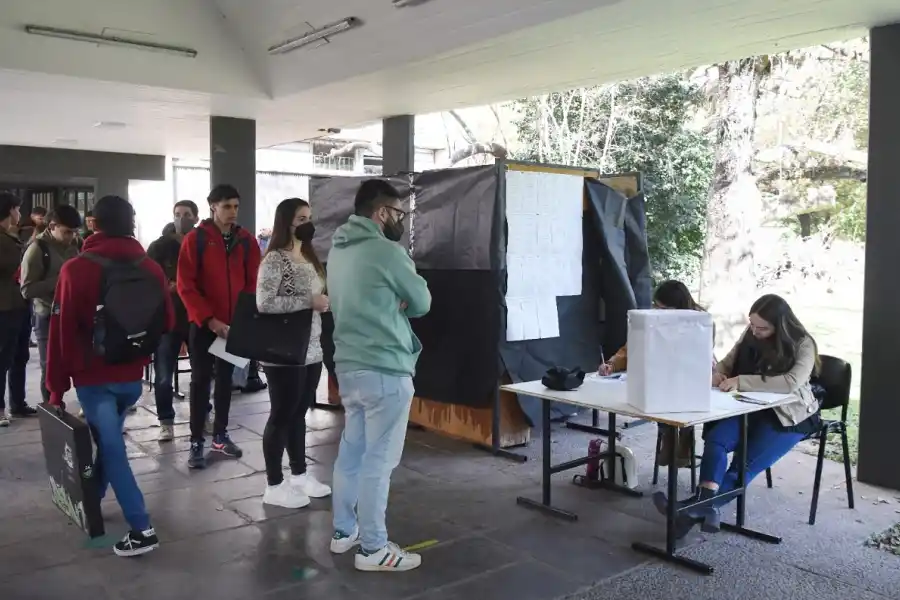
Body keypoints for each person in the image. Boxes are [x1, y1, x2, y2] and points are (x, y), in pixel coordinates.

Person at [46, 194, 174, 556]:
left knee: (113, 448)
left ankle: (142, 528)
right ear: (131, 224)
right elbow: (166, 320)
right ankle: (94, 497)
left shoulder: (76, 269)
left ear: (94, 224)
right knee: (109, 439)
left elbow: (61, 334)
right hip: (132, 378)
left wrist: (56, 389)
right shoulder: (149, 267)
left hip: (94, 379)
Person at [653, 293, 821, 538]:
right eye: (752, 324)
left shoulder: (803, 343)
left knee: (743, 465)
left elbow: (790, 382)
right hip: (748, 406)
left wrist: (740, 380)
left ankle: (689, 510)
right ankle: (700, 510)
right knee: (716, 440)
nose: (754, 331)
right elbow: (727, 363)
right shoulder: (750, 334)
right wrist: (717, 375)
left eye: (762, 328)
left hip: (788, 416)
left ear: (780, 326)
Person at [327, 179, 431, 572]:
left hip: (348, 367)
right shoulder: (387, 253)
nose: (400, 221)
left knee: (351, 453)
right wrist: (399, 299)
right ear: (382, 212)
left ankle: (344, 531)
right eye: (398, 213)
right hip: (386, 368)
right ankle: (373, 548)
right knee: (379, 462)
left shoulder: (337, 251)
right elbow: (421, 301)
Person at [177, 184, 261, 469]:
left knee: (226, 383)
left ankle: (220, 436)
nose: (233, 212)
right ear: (212, 206)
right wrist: (210, 320)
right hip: (204, 325)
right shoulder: (196, 240)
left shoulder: (247, 241)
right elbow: (186, 286)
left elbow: (252, 285)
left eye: (236, 206)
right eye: (227, 207)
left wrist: (240, 321)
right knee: (201, 382)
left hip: (232, 327)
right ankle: (196, 441)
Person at [256, 198, 332, 508]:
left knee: (299, 413)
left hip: (312, 347)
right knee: (281, 415)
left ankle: (299, 475)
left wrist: (323, 301)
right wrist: (308, 300)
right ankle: (274, 484)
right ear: (286, 222)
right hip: (284, 351)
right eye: (301, 218)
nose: (307, 224)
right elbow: (264, 303)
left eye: (309, 217)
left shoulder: (309, 256)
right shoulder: (275, 259)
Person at [598, 280, 710, 466]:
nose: (658, 311)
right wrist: (612, 363)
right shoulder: (652, 320)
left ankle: (683, 438)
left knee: (678, 397)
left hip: (690, 380)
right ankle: (670, 437)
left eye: (663, 308)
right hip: (660, 379)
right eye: (656, 306)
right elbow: (631, 347)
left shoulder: (700, 321)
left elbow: (699, 357)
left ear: (678, 307)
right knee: (657, 394)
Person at [147, 201, 199, 441]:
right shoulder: (159, 247)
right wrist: (167, 287)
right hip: (167, 317)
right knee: (164, 373)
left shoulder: (202, 243)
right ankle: (165, 420)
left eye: (187, 215)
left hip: (196, 316)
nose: (181, 218)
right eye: (177, 214)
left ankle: (203, 414)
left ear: (196, 218)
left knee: (202, 372)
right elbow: (147, 276)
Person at [20, 205, 81, 404]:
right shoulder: (37, 249)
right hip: (46, 315)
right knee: (50, 364)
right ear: (52, 226)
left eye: (74, 232)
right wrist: (60, 280)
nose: (71, 236)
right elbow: (27, 289)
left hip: (71, 312)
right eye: (67, 232)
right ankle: (52, 406)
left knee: (77, 360)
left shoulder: (75, 245)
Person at [0, 193, 27, 427]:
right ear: (10, 210)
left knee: (16, 356)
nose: (19, 214)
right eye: (18, 209)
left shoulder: (9, 238)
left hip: (14, 305)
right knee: (3, 357)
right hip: (6, 306)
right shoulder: (4, 242)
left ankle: (16, 403)